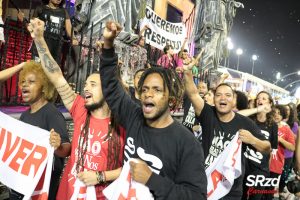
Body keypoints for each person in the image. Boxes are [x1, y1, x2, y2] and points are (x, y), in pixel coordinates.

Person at [99, 21, 207, 199]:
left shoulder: (187, 142)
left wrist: (151, 179)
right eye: (145, 89)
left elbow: (196, 196)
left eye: (157, 90)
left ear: (170, 98)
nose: (148, 94)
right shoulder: (134, 116)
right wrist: (109, 45)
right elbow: (111, 85)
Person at [28, 18, 126, 199]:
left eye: (93, 84)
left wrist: (100, 176)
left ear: (109, 90)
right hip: (68, 194)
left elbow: (135, 169)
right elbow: (56, 76)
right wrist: (39, 39)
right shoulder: (80, 108)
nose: (86, 88)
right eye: (86, 84)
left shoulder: (125, 123)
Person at [183, 64, 271, 199]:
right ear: (214, 99)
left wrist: (253, 140)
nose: (223, 98)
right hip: (204, 181)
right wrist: (187, 72)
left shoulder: (245, 123)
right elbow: (193, 94)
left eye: (228, 95)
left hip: (231, 189)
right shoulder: (208, 113)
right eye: (218, 95)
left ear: (234, 100)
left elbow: (267, 148)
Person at [9, 60, 71, 200]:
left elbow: (66, 149)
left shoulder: (51, 113)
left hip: (41, 191)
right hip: (22, 188)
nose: (24, 84)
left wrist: (58, 145)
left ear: (43, 87)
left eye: (31, 81)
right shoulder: (24, 115)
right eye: (23, 81)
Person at [238, 91, 278, 200]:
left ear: (270, 104)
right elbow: (237, 115)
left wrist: (267, 172)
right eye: (258, 98)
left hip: (260, 170)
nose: (260, 100)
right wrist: (257, 110)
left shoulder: (273, 125)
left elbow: (271, 150)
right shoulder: (250, 120)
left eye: (264, 98)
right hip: (244, 166)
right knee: (240, 196)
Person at [265, 105, 295, 200]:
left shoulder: (286, 129)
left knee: (269, 192)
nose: (277, 115)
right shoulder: (266, 125)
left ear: (283, 116)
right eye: (274, 113)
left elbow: (292, 147)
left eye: (279, 113)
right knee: (257, 190)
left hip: (275, 165)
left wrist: (280, 140)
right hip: (262, 163)